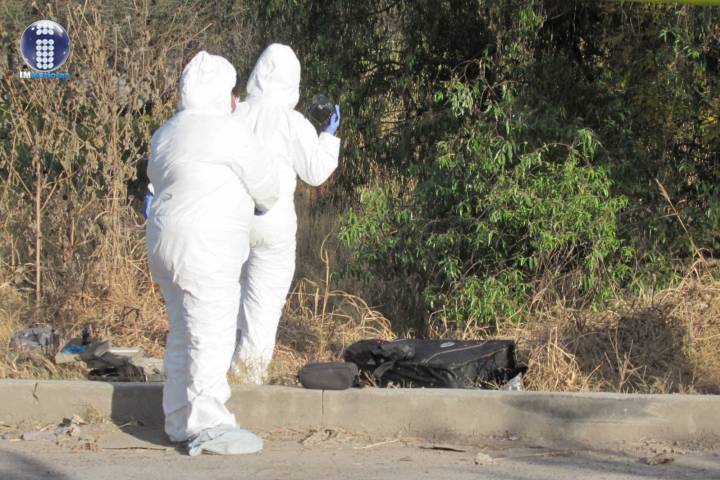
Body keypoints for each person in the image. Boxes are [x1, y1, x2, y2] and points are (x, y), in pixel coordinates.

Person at [146, 51, 279, 455]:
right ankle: (208, 425)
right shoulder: (230, 131)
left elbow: (160, 178)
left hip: (164, 245)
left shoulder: (165, 133)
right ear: (223, 92)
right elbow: (268, 186)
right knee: (211, 333)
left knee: (182, 334)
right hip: (208, 248)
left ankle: (177, 420)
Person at [231, 43, 341, 384]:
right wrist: (329, 136)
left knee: (226, 297)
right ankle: (248, 378)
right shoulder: (293, 123)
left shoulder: (235, 114)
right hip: (274, 223)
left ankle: (218, 370)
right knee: (263, 304)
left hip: (233, 219)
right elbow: (315, 172)